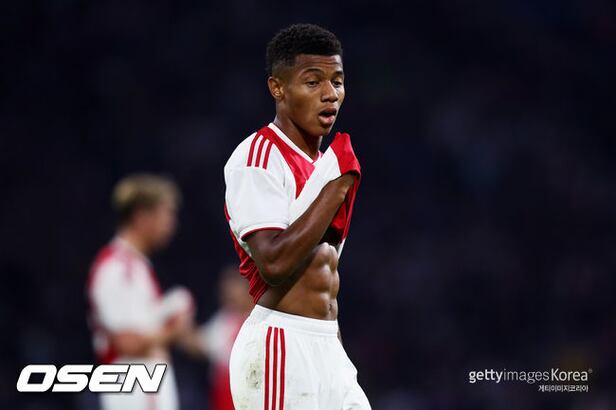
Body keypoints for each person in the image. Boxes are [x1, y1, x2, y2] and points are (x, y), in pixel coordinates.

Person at [223, 24, 371, 409]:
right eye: (313, 81)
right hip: (280, 345)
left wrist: (333, 347)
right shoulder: (257, 159)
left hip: (328, 346)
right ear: (278, 88)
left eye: (337, 81)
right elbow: (273, 262)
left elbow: (324, 272)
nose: (330, 94)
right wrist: (337, 188)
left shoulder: (325, 166)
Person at [87, 174, 194, 410]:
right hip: (136, 395)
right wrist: (175, 328)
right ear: (142, 216)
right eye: (167, 214)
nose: (172, 224)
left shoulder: (136, 266)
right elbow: (128, 342)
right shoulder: (118, 268)